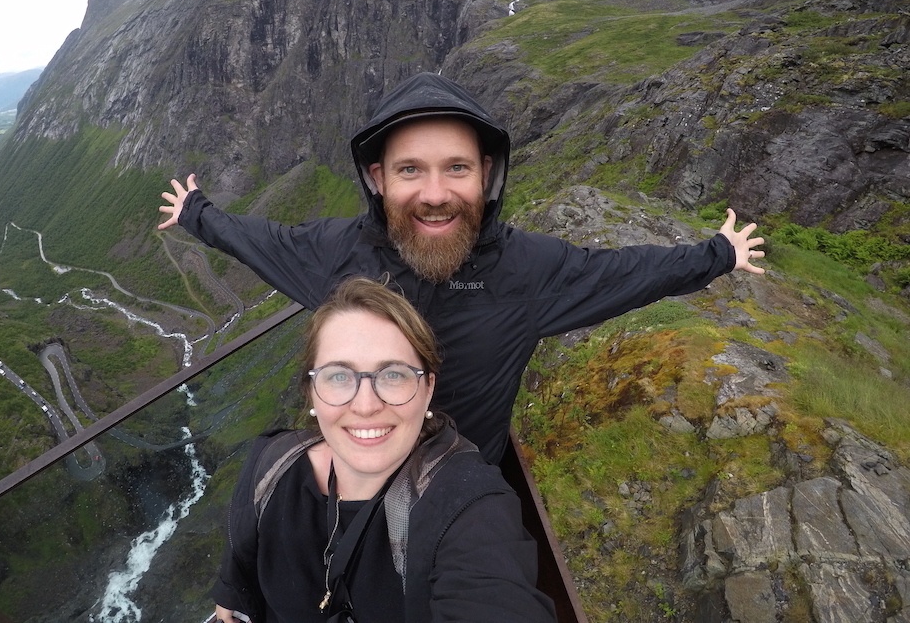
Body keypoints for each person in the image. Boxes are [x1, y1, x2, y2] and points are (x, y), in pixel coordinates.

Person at [160, 72, 765, 463]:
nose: (434, 193)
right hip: (354, 473)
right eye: (408, 170)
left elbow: (628, 273)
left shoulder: (529, 271)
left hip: (463, 493)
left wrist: (718, 254)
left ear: (487, 177)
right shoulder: (332, 253)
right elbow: (257, 239)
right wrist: (196, 212)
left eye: (456, 168)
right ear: (377, 179)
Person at [211, 276, 556, 623]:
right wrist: (231, 596)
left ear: (427, 389)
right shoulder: (270, 463)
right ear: (311, 392)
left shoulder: (467, 506)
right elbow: (236, 579)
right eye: (338, 376)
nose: (365, 405)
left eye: (392, 375)